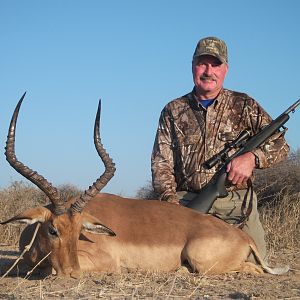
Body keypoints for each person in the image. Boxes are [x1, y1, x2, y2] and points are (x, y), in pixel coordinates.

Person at [151, 36, 289, 259]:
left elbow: (280, 145)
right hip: (187, 200)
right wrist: (172, 207)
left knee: (255, 262)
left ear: (226, 69)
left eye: (215, 64)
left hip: (235, 201)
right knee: (167, 259)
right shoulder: (173, 110)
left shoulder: (244, 104)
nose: (208, 71)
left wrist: (253, 158)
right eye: (202, 63)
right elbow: (161, 164)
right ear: (193, 66)